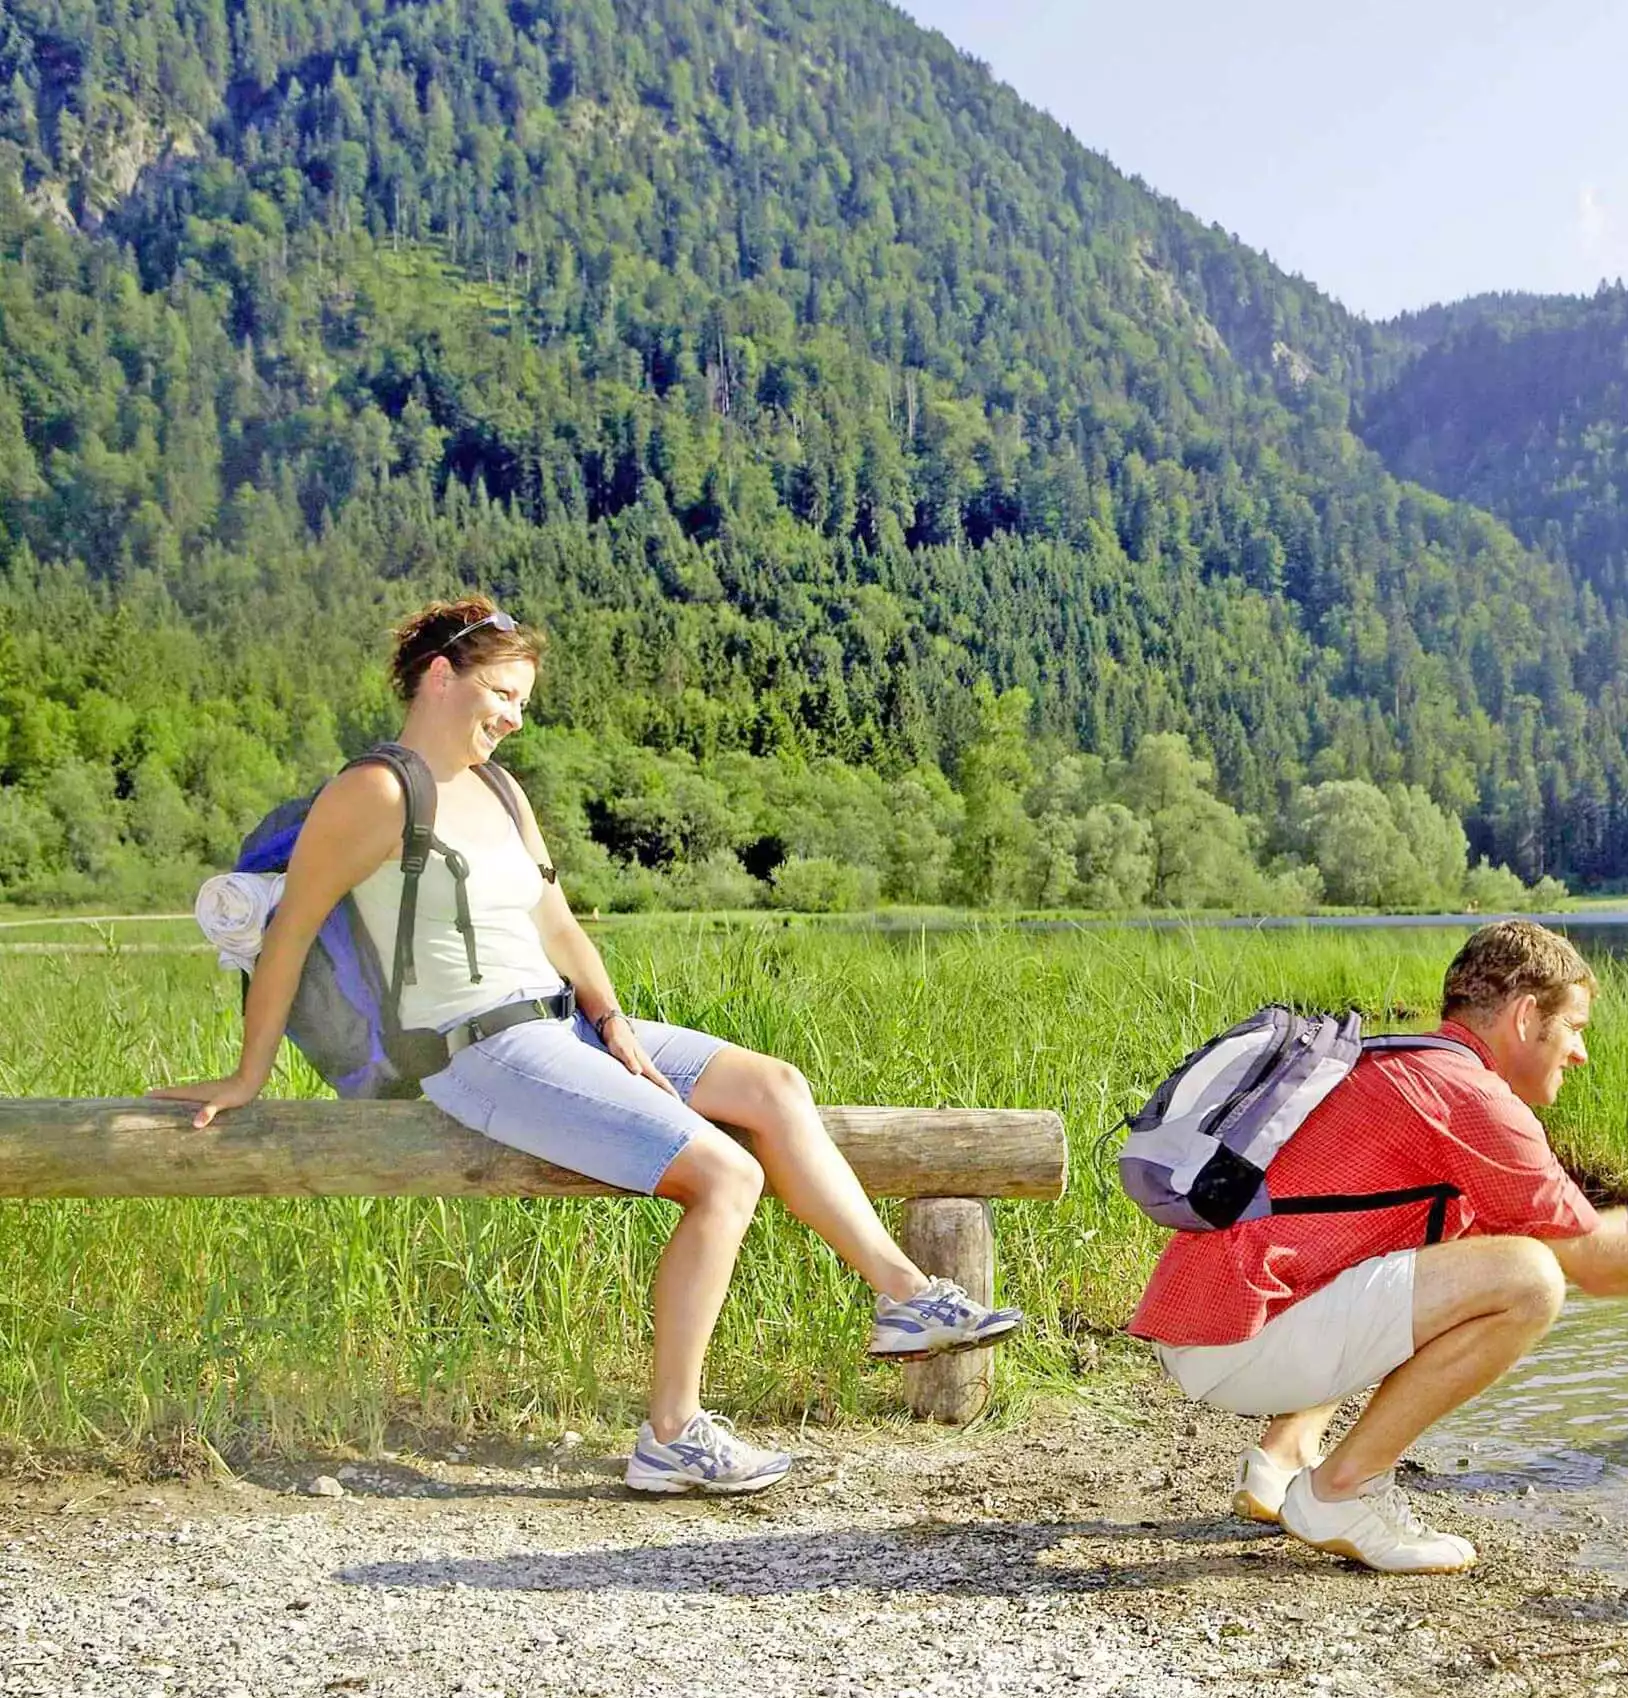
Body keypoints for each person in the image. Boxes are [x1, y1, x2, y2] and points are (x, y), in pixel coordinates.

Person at [151, 598, 1022, 1495]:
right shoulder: (376, 791)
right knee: (727, 1175)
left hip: (562, 1023)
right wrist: (249, 1074)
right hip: (475, 1051)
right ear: (440, 676)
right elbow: (289, 931)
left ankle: (907, 1299)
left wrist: (611, 1021)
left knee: (774, 1085)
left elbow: (555, 921)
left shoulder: (498, 789)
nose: (515, 717)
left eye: (523, 700)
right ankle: (672, 1436)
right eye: (502, 693)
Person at [1129, 919, 1628, 1574]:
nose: (1581, 1053)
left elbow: (1568, 1233)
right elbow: (1587, 1266)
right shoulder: (1472, 1099)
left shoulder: (1408, 1063)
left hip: (1212, 1324)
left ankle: (1282, 1463)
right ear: (1528, 1016)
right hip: (1236, 1346)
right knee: (1526, 1281)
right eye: (1577, 1027)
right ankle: (1342, 1496)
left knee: (1455, 1251)